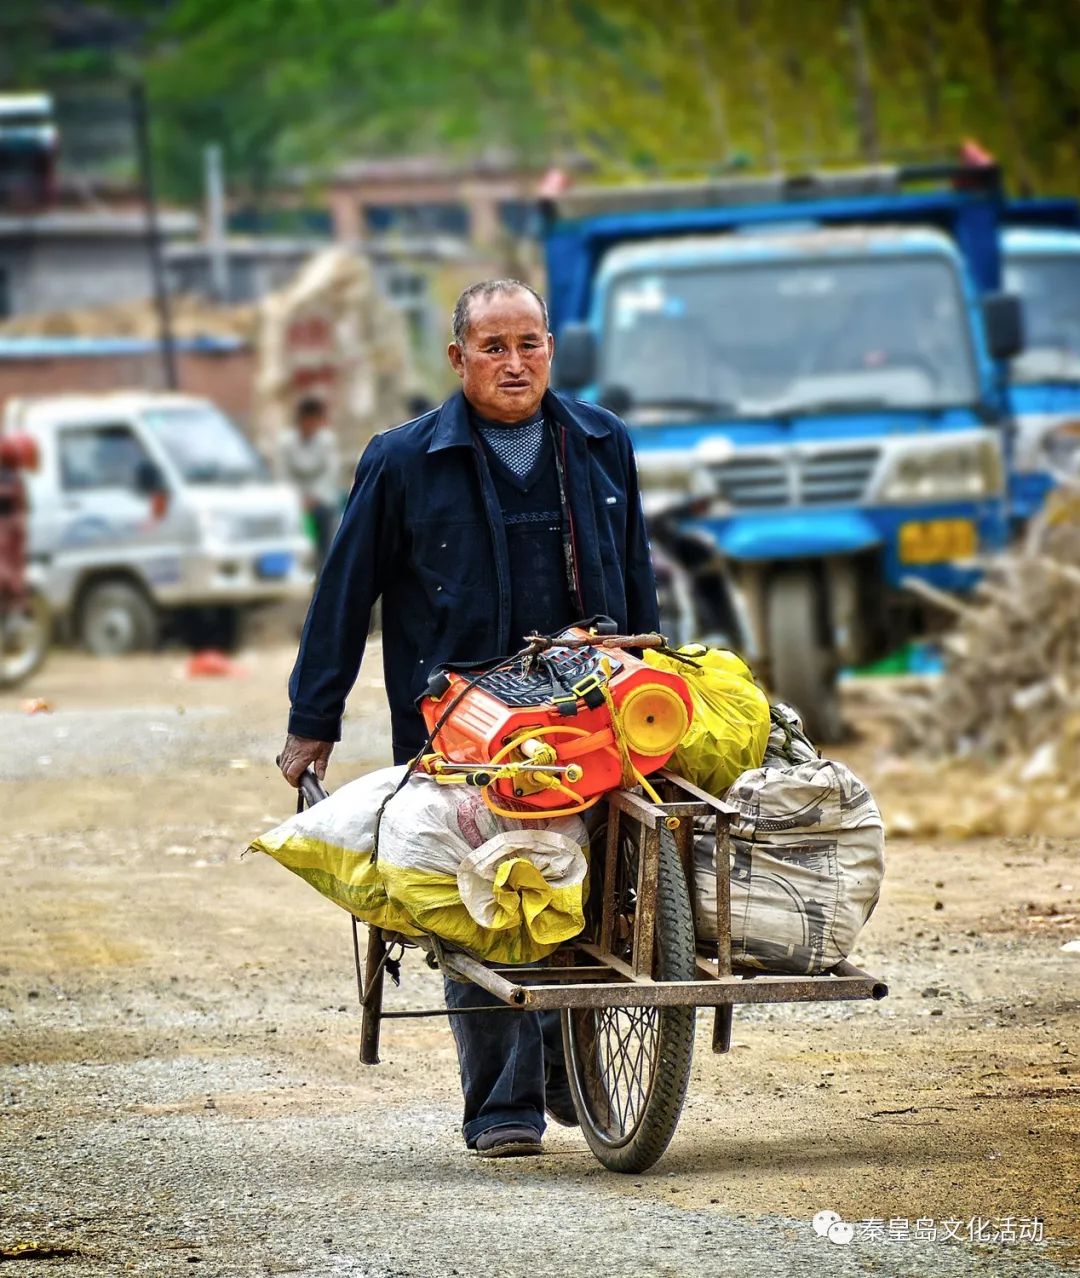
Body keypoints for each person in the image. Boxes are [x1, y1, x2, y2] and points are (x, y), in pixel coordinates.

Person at [278, 279, 659, 1157]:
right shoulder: (403, 460)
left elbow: (637, 579)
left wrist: (656, 677)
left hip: (584, 711)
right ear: (458, 359)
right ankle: (502, 1107)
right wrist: (313, 719)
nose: (514, 363)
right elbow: (346, 594)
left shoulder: (602, 444)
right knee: (484, 898)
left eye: (529, 344)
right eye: (493, 347)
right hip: (459, 724)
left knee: (595, 890)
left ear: (551, 349)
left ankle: (575, 1073)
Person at [277, 396, 341, 571]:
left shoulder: (327, 441)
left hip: (320, 500)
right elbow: (284, 474)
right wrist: (299, 499)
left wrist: (314, 498)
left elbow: (330, 473)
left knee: (325, 531)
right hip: (295, 500)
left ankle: (324, 573)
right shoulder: (286, 443)